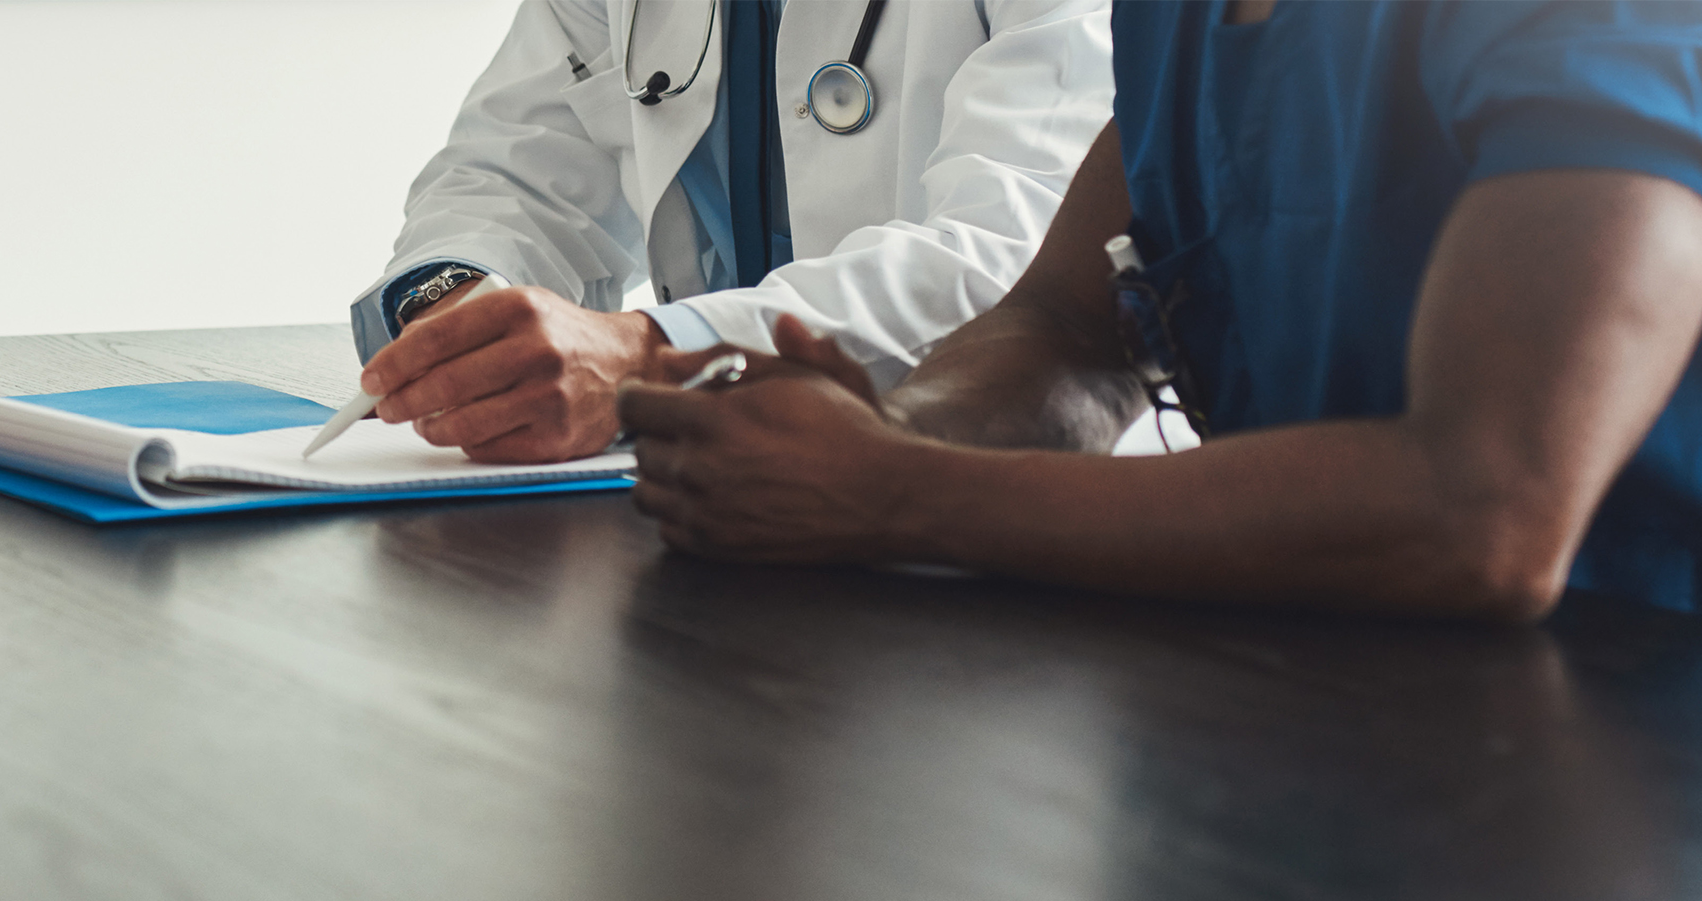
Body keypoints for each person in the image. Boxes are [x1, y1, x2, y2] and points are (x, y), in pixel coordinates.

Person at [622, 0, 1702, 621]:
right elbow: (1067, 330)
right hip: (1302, 724)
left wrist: (893, 490)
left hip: (1609, 806)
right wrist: (883, 428)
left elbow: (1489, 509)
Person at [348, 0, 1114, 464]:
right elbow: (511, 172)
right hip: (723, 488)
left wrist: (659, 355)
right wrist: (454, 301)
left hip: (979, 503)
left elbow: (1020, 257)